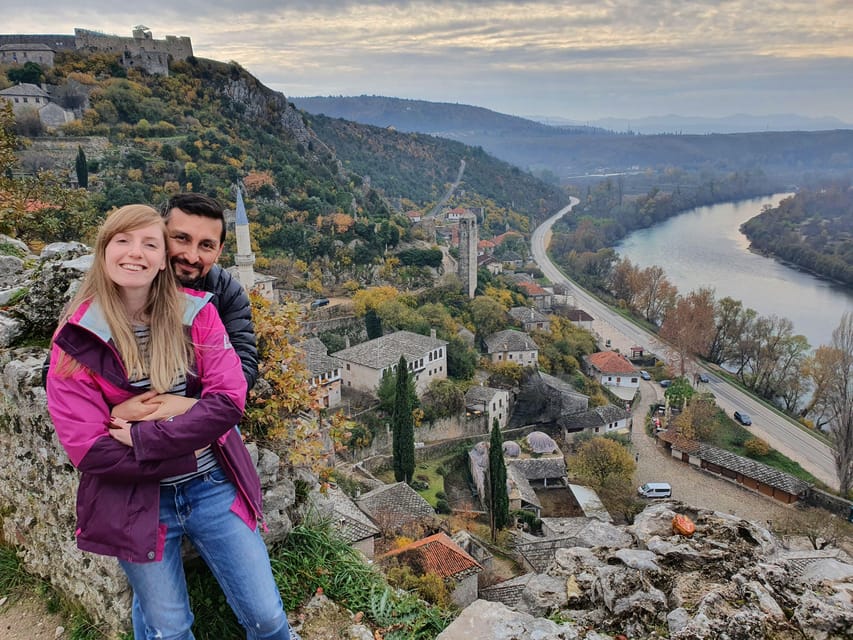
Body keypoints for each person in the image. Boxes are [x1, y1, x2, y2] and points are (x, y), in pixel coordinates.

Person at [46, 205, 291, 640]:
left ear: (162, 259)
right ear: (102, 251)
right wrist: (187, 434)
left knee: (269, 620)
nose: (134, 253)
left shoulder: (199, 314)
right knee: (169, 629)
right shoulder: (77, 337)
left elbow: (230, 401)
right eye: (122, 241)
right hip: (135, 501)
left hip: (212, 488)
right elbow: (87, 448)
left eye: (148, 244)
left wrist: (140, 433)